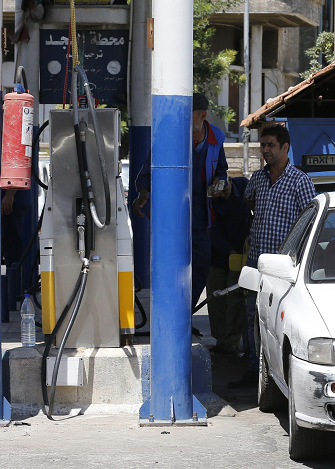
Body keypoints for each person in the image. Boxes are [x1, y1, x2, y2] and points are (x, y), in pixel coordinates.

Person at [228, 123, 316, 389]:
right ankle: (254, 369)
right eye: (262, 145)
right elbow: (249, 201)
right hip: (256, 262)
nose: (265, 150)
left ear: (285, 148)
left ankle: (277, 374)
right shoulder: (257, 178)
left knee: (279, 319)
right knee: (252, 316)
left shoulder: (300, 181)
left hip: (284, 266)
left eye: (270, 145)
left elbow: (309, 221)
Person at [133, 93, 229, 316]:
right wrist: (144, 193)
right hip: (173, 221)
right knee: (171, 273)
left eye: (189, 114)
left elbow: (222, 169)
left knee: (200, 272)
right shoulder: (171, 136)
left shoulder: (216, 138)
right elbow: (148, 171)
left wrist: (219, 181)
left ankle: (183, 316)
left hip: (202, 221)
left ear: (202, 115)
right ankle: (171, 318)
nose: (183, 118)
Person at [206, 176, 251, 355]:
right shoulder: (210, 198)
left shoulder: (244, 186)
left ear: (231, 181)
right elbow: (209, 227)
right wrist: (227, 250)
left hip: (239, 255)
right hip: (217, 254)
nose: (222, 194)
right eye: (218, 192)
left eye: (225, 190)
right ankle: (220, 340)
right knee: (216, 300)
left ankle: (231, 342)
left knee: (235, 300)